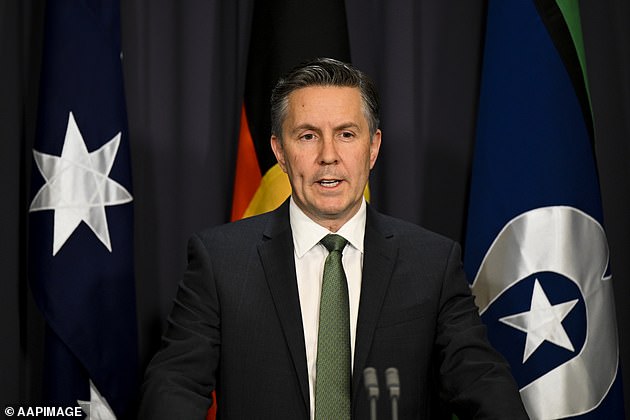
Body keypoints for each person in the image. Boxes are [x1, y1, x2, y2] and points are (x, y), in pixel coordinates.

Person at [139, 58, 528, 419]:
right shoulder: (221, 260)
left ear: (372, 147)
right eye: (308, 136)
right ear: (280, 152)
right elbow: (175, 384)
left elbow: (480, 379)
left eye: (346, 134)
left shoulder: (432, 262)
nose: (329, 155)